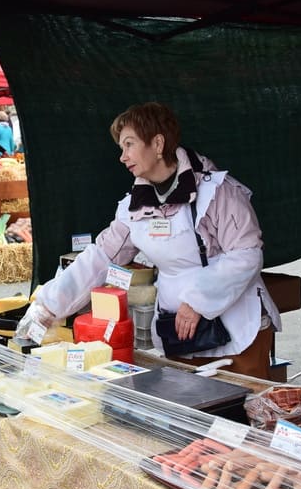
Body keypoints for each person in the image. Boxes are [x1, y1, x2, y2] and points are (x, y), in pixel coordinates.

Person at [16, 102, 280, 379]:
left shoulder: (217, 192)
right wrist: (49, 305)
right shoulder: (134, 206)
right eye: (121, 147)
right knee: (191, 411)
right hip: (179, 332)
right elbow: (102, 257)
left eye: (129, 144)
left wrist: (198, 301)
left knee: (241, 409)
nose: (122, 156)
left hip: (235, 327)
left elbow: (246, 253)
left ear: (157, 143)